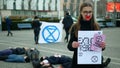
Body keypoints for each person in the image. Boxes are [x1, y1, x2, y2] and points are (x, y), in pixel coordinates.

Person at [67, 2, 111, 68]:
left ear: (92, 13)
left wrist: (103, 46)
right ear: (81, 12)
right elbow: (69, 46)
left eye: (90, 12)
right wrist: (73, 45)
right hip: (79, 63)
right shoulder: (75, 27)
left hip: (94, 63)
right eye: (85, 12)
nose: (88, 14)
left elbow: (100, 48)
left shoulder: (96, 27)